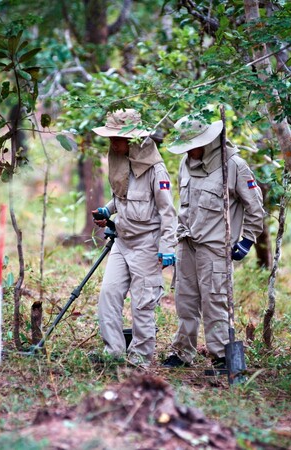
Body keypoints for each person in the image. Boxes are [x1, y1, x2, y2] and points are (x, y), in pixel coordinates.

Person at [161, 112, 265, 371]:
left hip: (215, 247)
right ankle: (182, 352)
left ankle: (221, 356)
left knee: (215, 301)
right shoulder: (186, 163)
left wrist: (248, 240)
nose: (189, 151)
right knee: (185, 300)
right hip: (186, 242)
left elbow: (255, 207)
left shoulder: (234, 165)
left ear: (206, 142)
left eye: (192, 145)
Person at [91, 108, 177, 367]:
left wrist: (167, 247)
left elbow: (168, 212)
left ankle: (140, 359)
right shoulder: (120, 161)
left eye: (116, 138)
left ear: (131, 140)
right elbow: (122, 197)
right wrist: (108, 209)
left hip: (147, 244)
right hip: (122, 241)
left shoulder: (155, 170)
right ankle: (114, 353)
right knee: (108, 295)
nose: (112, 143)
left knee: (142, 303)